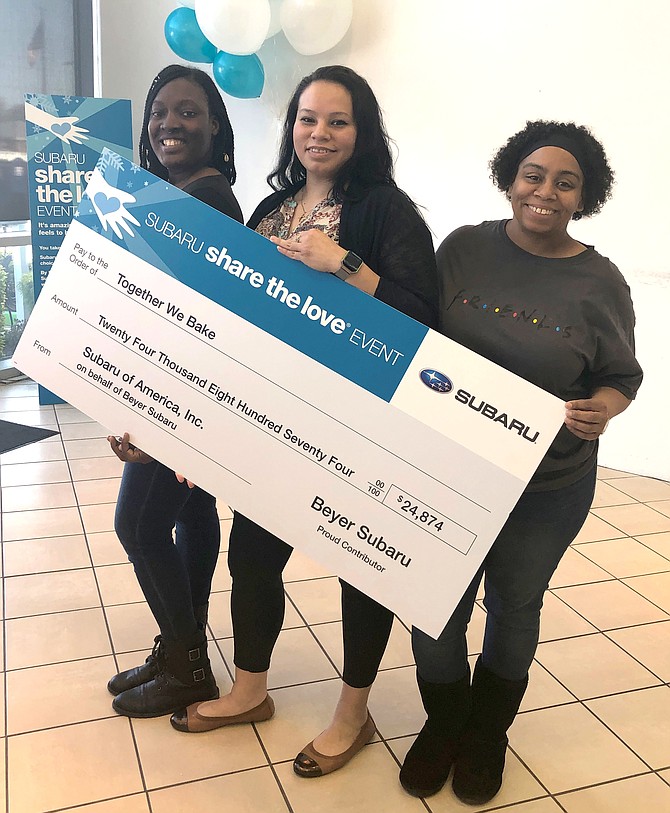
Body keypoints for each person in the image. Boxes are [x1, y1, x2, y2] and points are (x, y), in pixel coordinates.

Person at [169, 65, 439, 778]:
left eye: (337, 121)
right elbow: (234, 323)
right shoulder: (270, 208)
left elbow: (421, 320)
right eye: (307, 118)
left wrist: (345, 262)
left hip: (358, 429)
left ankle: (354, 713)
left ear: (362, 131)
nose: (319, 133)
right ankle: (250, 689)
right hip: (273, 422)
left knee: (360, 571)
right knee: (254, 555)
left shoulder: (386, 209)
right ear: (291, 127)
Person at [399, 120, 643, 804]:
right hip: (449, 470)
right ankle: (445, 719)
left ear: (584, 196)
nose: (546, 191)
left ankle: (487, 731)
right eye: (533, 175)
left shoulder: (601, 282)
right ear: (510, 178)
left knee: (514, 603)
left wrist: (603, 405)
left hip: (548, 484)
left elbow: (622, 375)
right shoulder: (462, 249)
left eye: (566, 182)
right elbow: (414, 332)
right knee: (434, 604)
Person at [106, 64, 244, 718]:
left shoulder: (207, 200)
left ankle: (188, 662)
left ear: (215, 126)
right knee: (190, 515)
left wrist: (148, 416)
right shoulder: (175, 193)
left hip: (180, 400)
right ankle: (182, 649)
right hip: (185, 398)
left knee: (136, 522)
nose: (169, 124)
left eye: (187, 112)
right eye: (160, 111)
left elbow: (184, 325)